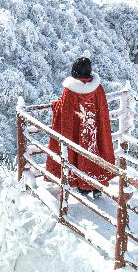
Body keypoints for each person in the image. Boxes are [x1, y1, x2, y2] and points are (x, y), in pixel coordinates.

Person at [46, 56, 116, 196]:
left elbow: (65, 112)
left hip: (77, 131)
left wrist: (56, 105)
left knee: (76, 150)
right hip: (94, 130)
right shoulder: (98, 88)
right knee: (96, 150)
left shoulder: (70, 90)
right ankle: (96, 186)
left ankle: (82, 185)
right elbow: (102, 111)